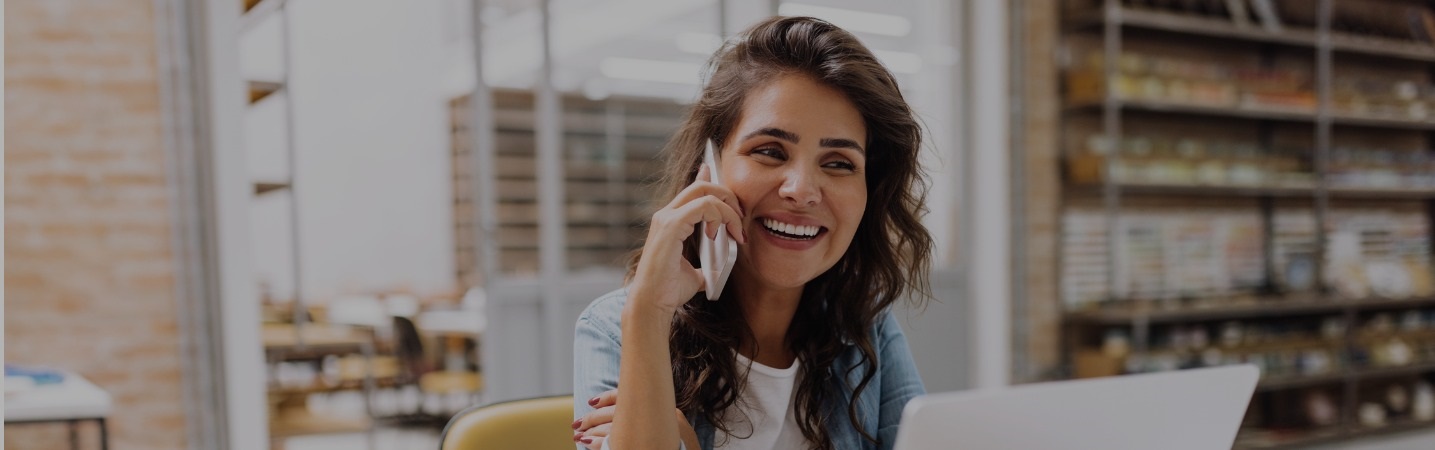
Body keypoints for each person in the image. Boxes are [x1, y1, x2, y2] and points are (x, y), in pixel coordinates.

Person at [571, 15, 934, 450]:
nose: (801, 190)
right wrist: (648, 311)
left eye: (839, 163)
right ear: (711, 166)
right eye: (769, 151)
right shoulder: (619, 326)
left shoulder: (864, 328)